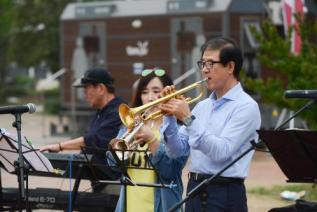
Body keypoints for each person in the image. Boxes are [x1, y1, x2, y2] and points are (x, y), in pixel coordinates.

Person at [159, 37, 261, 211]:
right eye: (202, 64)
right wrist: (169, 116)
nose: (205, 71)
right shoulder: (202, 106)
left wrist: (188, 118)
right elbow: (176, 151)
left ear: (230, 67)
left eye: (211, 64)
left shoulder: (246, 107)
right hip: (195, 188)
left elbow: (221, 152)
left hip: (224, 191)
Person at [110, 68, 188, 212]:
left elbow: (170, 170)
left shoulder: (177, 130)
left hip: (161, 207)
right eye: (144, 92)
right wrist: (123, 139)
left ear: (168, 93)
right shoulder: (132, 124)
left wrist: (152, 139)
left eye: (156, 91)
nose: (150, 98)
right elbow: (114, 165)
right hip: (130, 205)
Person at [40, 67, 126, 191]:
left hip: (115, 184)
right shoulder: (101, 112)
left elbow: (94, 140)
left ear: (100, 88)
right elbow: (88, 150)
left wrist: (59, 146)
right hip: (100, 184)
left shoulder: (119, 111)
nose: (84, 95)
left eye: (86, 88)